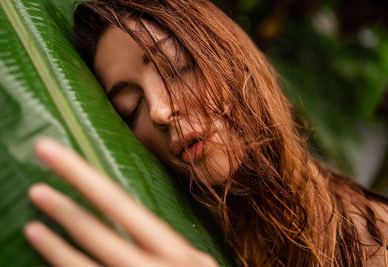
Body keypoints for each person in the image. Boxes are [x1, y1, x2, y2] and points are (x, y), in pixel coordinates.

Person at [24, 0, 388, 266]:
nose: (160, 111)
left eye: (177, 66)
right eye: (130, 110)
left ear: (232, 55)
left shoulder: (372, 237)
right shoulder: (159, 236)